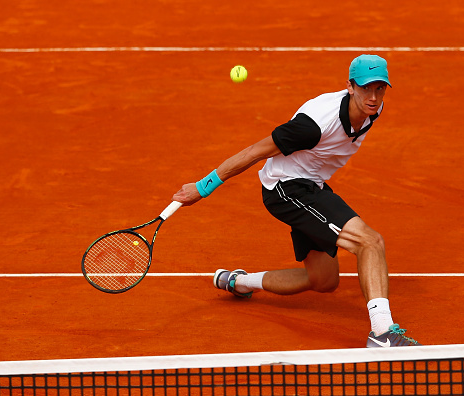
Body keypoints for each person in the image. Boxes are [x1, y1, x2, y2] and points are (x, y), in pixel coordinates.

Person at [172, 54, 420, 348]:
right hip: (286, 188)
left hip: (310, 184)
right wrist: (203, 186)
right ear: (350, 87)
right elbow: (255, 151)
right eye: (366, 88)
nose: (374, 96)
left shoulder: (372, 110)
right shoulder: (313, 124)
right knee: (370, 242)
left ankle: (238, 282)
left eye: (380, 88)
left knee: (323, 281)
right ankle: (382, 334)